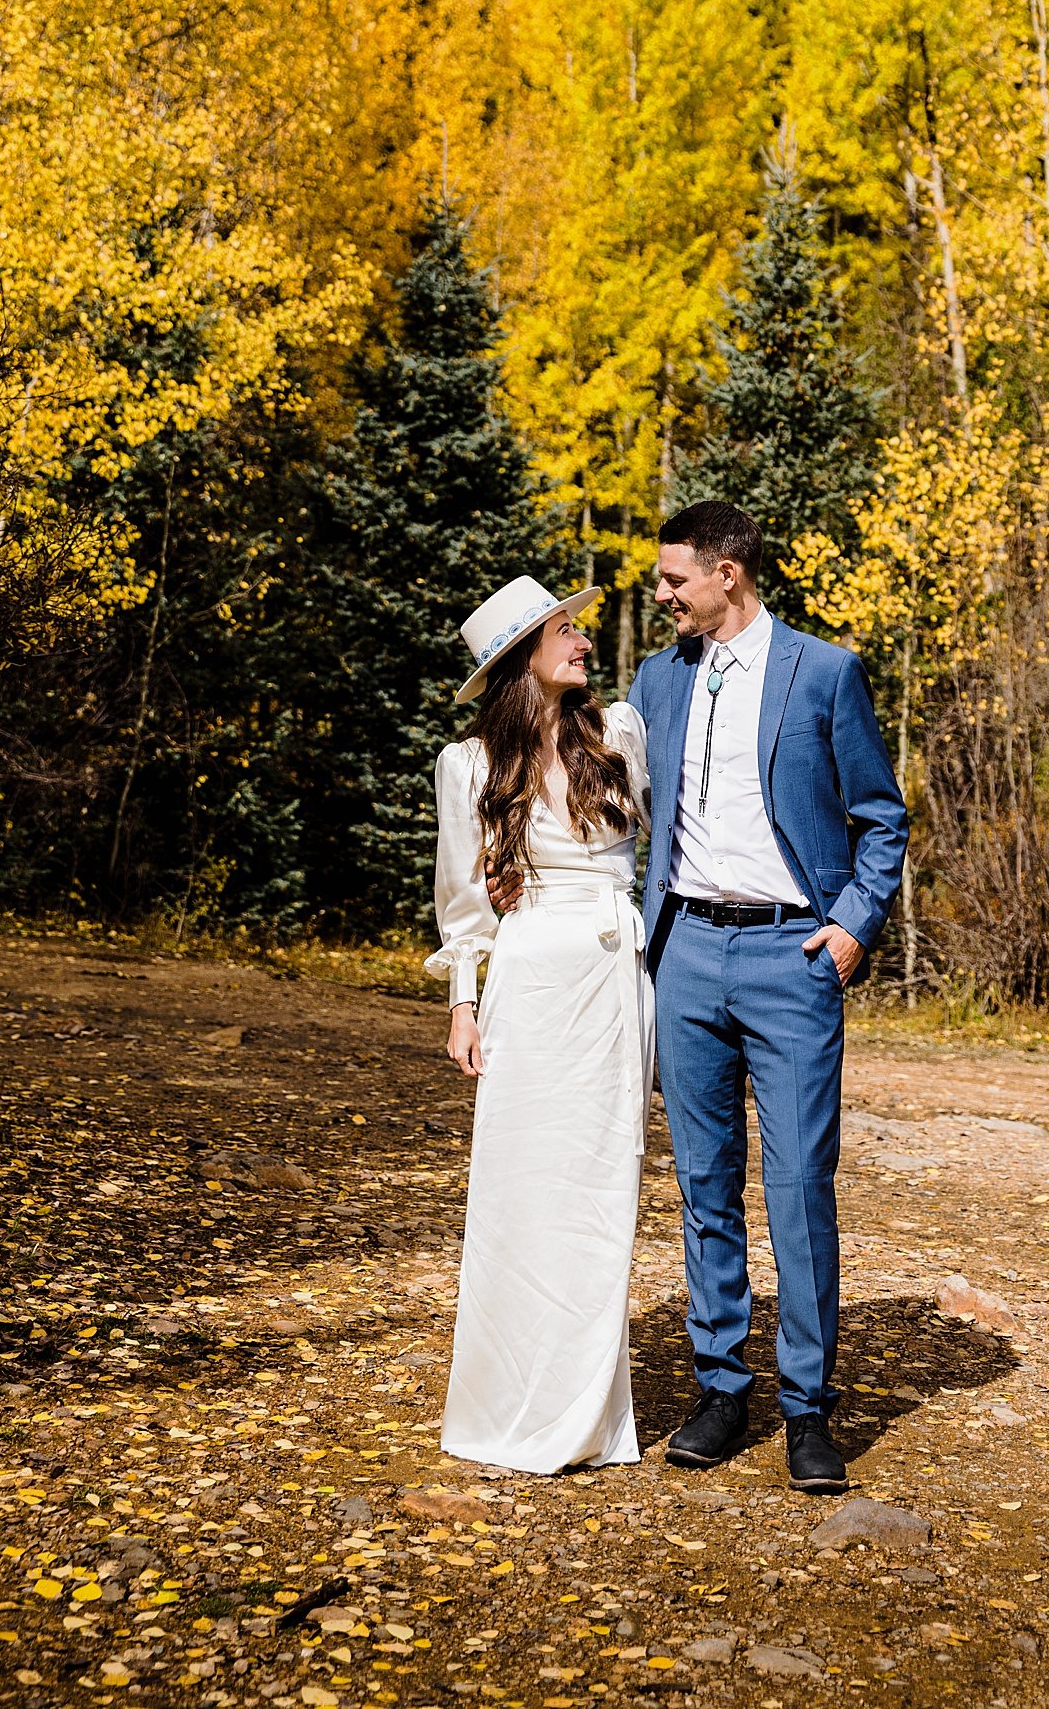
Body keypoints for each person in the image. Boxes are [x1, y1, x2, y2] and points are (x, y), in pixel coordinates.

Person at [630, 499, 908, 1492]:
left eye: (674, 581)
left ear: (728, 576)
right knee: (705, 1182)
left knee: (797, 1188)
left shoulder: (823, 672)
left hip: (793, 958)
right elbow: (617, 804)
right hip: (688, 952)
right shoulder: (655, 679)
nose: (660, 595)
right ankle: (719, 1387)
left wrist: (849, 929)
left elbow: (881, 816)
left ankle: (806, 1408)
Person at [427, 573, 652, 1473]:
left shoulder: (619, 734)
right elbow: (462, 903)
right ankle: (505, 1407)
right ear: (525, 655)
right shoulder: (472, 766)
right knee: (522, 1194)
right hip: (530, 986)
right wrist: (464, 1004)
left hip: (610, 982)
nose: (585, 643)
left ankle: (590, 1414)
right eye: (567, 630)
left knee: (602, 1193)